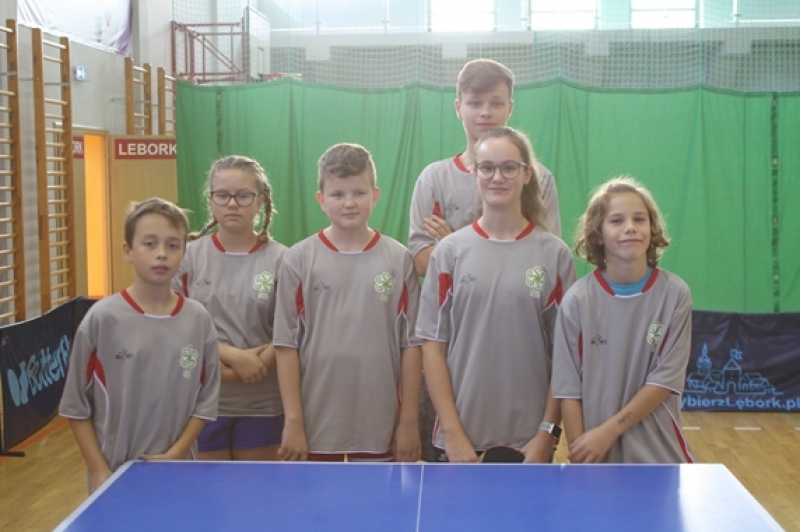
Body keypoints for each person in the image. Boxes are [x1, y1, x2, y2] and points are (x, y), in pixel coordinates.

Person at [408, 58, 562, 461]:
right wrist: (462, 246)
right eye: (475, 102)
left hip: (525, 395)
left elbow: (537, 262)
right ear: (458, 107)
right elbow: (422, 260)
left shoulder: (542, 185)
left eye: (496, 102)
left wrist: (548, 430)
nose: (485, 112)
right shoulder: (434, 180)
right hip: (459, 369)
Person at [273, 143, 422, 462]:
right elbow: (285, 346)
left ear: (375, 195)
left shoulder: (398, 259)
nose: (349, 203)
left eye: (359, 193)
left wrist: (408, 422)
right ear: (321, 200)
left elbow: (412, 347)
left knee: (377, 496)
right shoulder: (298, 259)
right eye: (338, 194)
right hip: (315, 426)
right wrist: (294, 421)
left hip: (379, 425)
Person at [59, 198, 220, 493]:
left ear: (184, 252)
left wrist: (176, 454)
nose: (162, 254)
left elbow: (206, 403)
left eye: (173, 245)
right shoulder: (102, 319)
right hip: (114, 475)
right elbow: (75, 406)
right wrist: (98, 470)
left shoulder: (198, 319)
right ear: (128, 251)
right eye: (149, 244)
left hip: (179, 473)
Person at [552, 177, 694, 463]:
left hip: (660, 457)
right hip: (597, 457)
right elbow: (567, 388)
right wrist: (581, 452)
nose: (630, 227)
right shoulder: (577, 301)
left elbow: (664, 381)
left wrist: (608, 432)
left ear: (652, 229)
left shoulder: (675, 294)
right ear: (598, 234)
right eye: (617, 220)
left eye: (639, 219)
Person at [174, 156, 287, 461]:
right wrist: (233, 359)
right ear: (210, 201)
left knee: (255, 490)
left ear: (260, 201)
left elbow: (289, 331)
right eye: (222, 195)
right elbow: (174, 329)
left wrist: (257, 365)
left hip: (264, 405)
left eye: (243, 195)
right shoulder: (188, 258)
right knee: (209, 491)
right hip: (201, 404)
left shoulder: (283, 260)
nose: (232, 204)